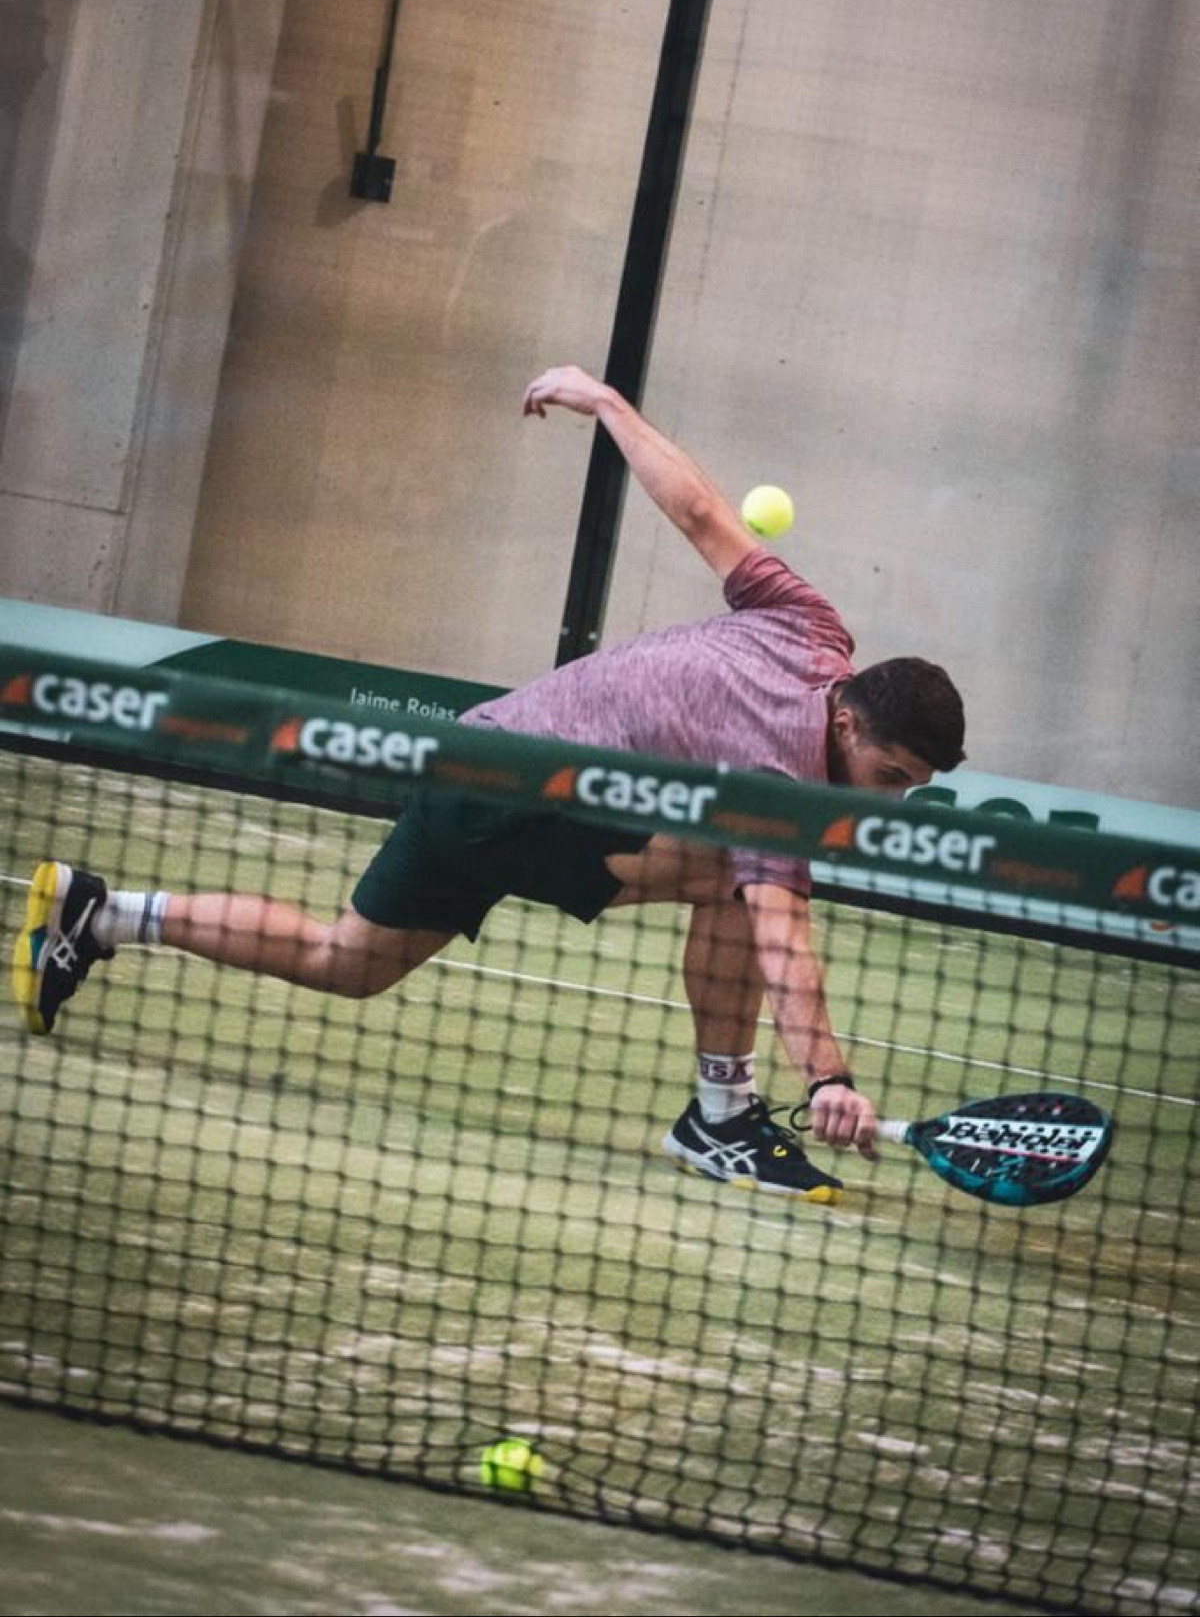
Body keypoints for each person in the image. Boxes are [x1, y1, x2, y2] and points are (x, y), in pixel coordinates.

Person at [13, 365, 965, 1203]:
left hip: (488, 762)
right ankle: (721, 1117)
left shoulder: (815, 630)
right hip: (516, 797)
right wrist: (828, 1076)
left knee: (345, 962)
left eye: (908, 788)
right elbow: (781, 936)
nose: (885, 799)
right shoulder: (778, 770)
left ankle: (101, 915)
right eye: (887, 774)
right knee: (734, 879)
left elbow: (702, 515)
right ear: (848, 720)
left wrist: (606, 402)